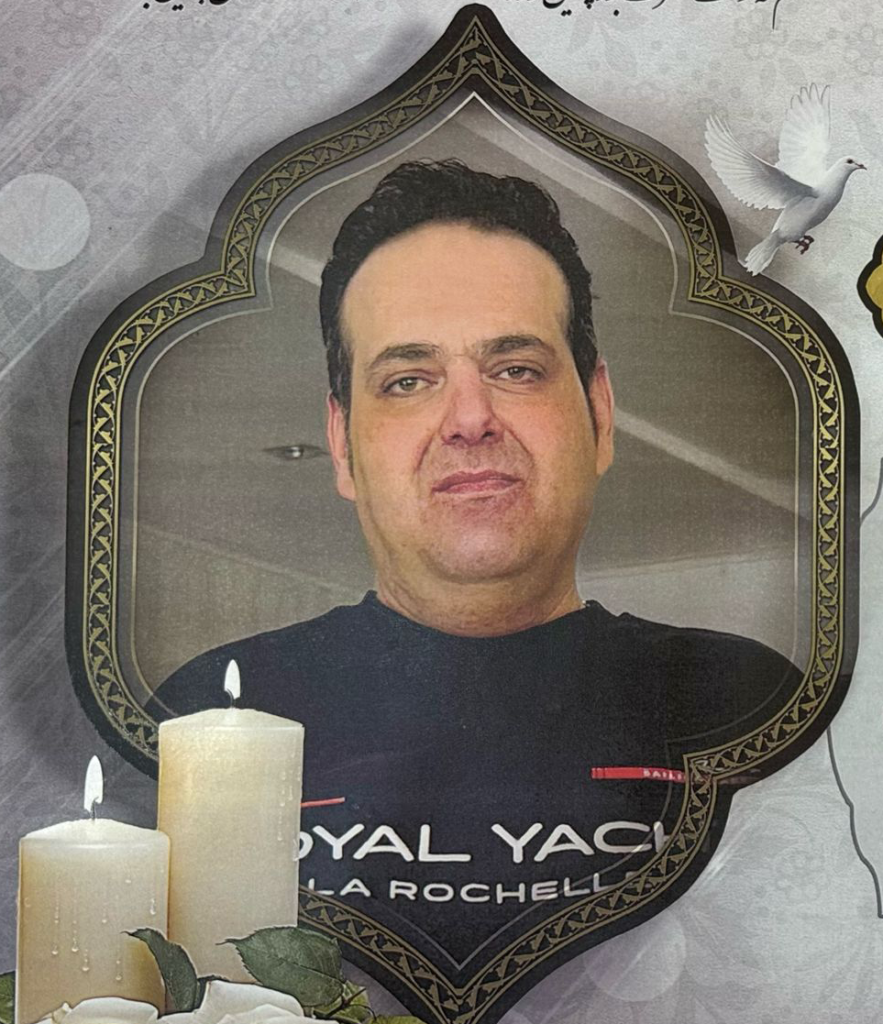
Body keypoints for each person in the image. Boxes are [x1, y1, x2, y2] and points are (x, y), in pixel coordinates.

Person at [153, 160, 798, 962]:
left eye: (515, 369)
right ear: (341, 444)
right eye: (407, 380)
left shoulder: (747, 696)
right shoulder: (202, 717)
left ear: (598, 415)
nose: (468, 418)